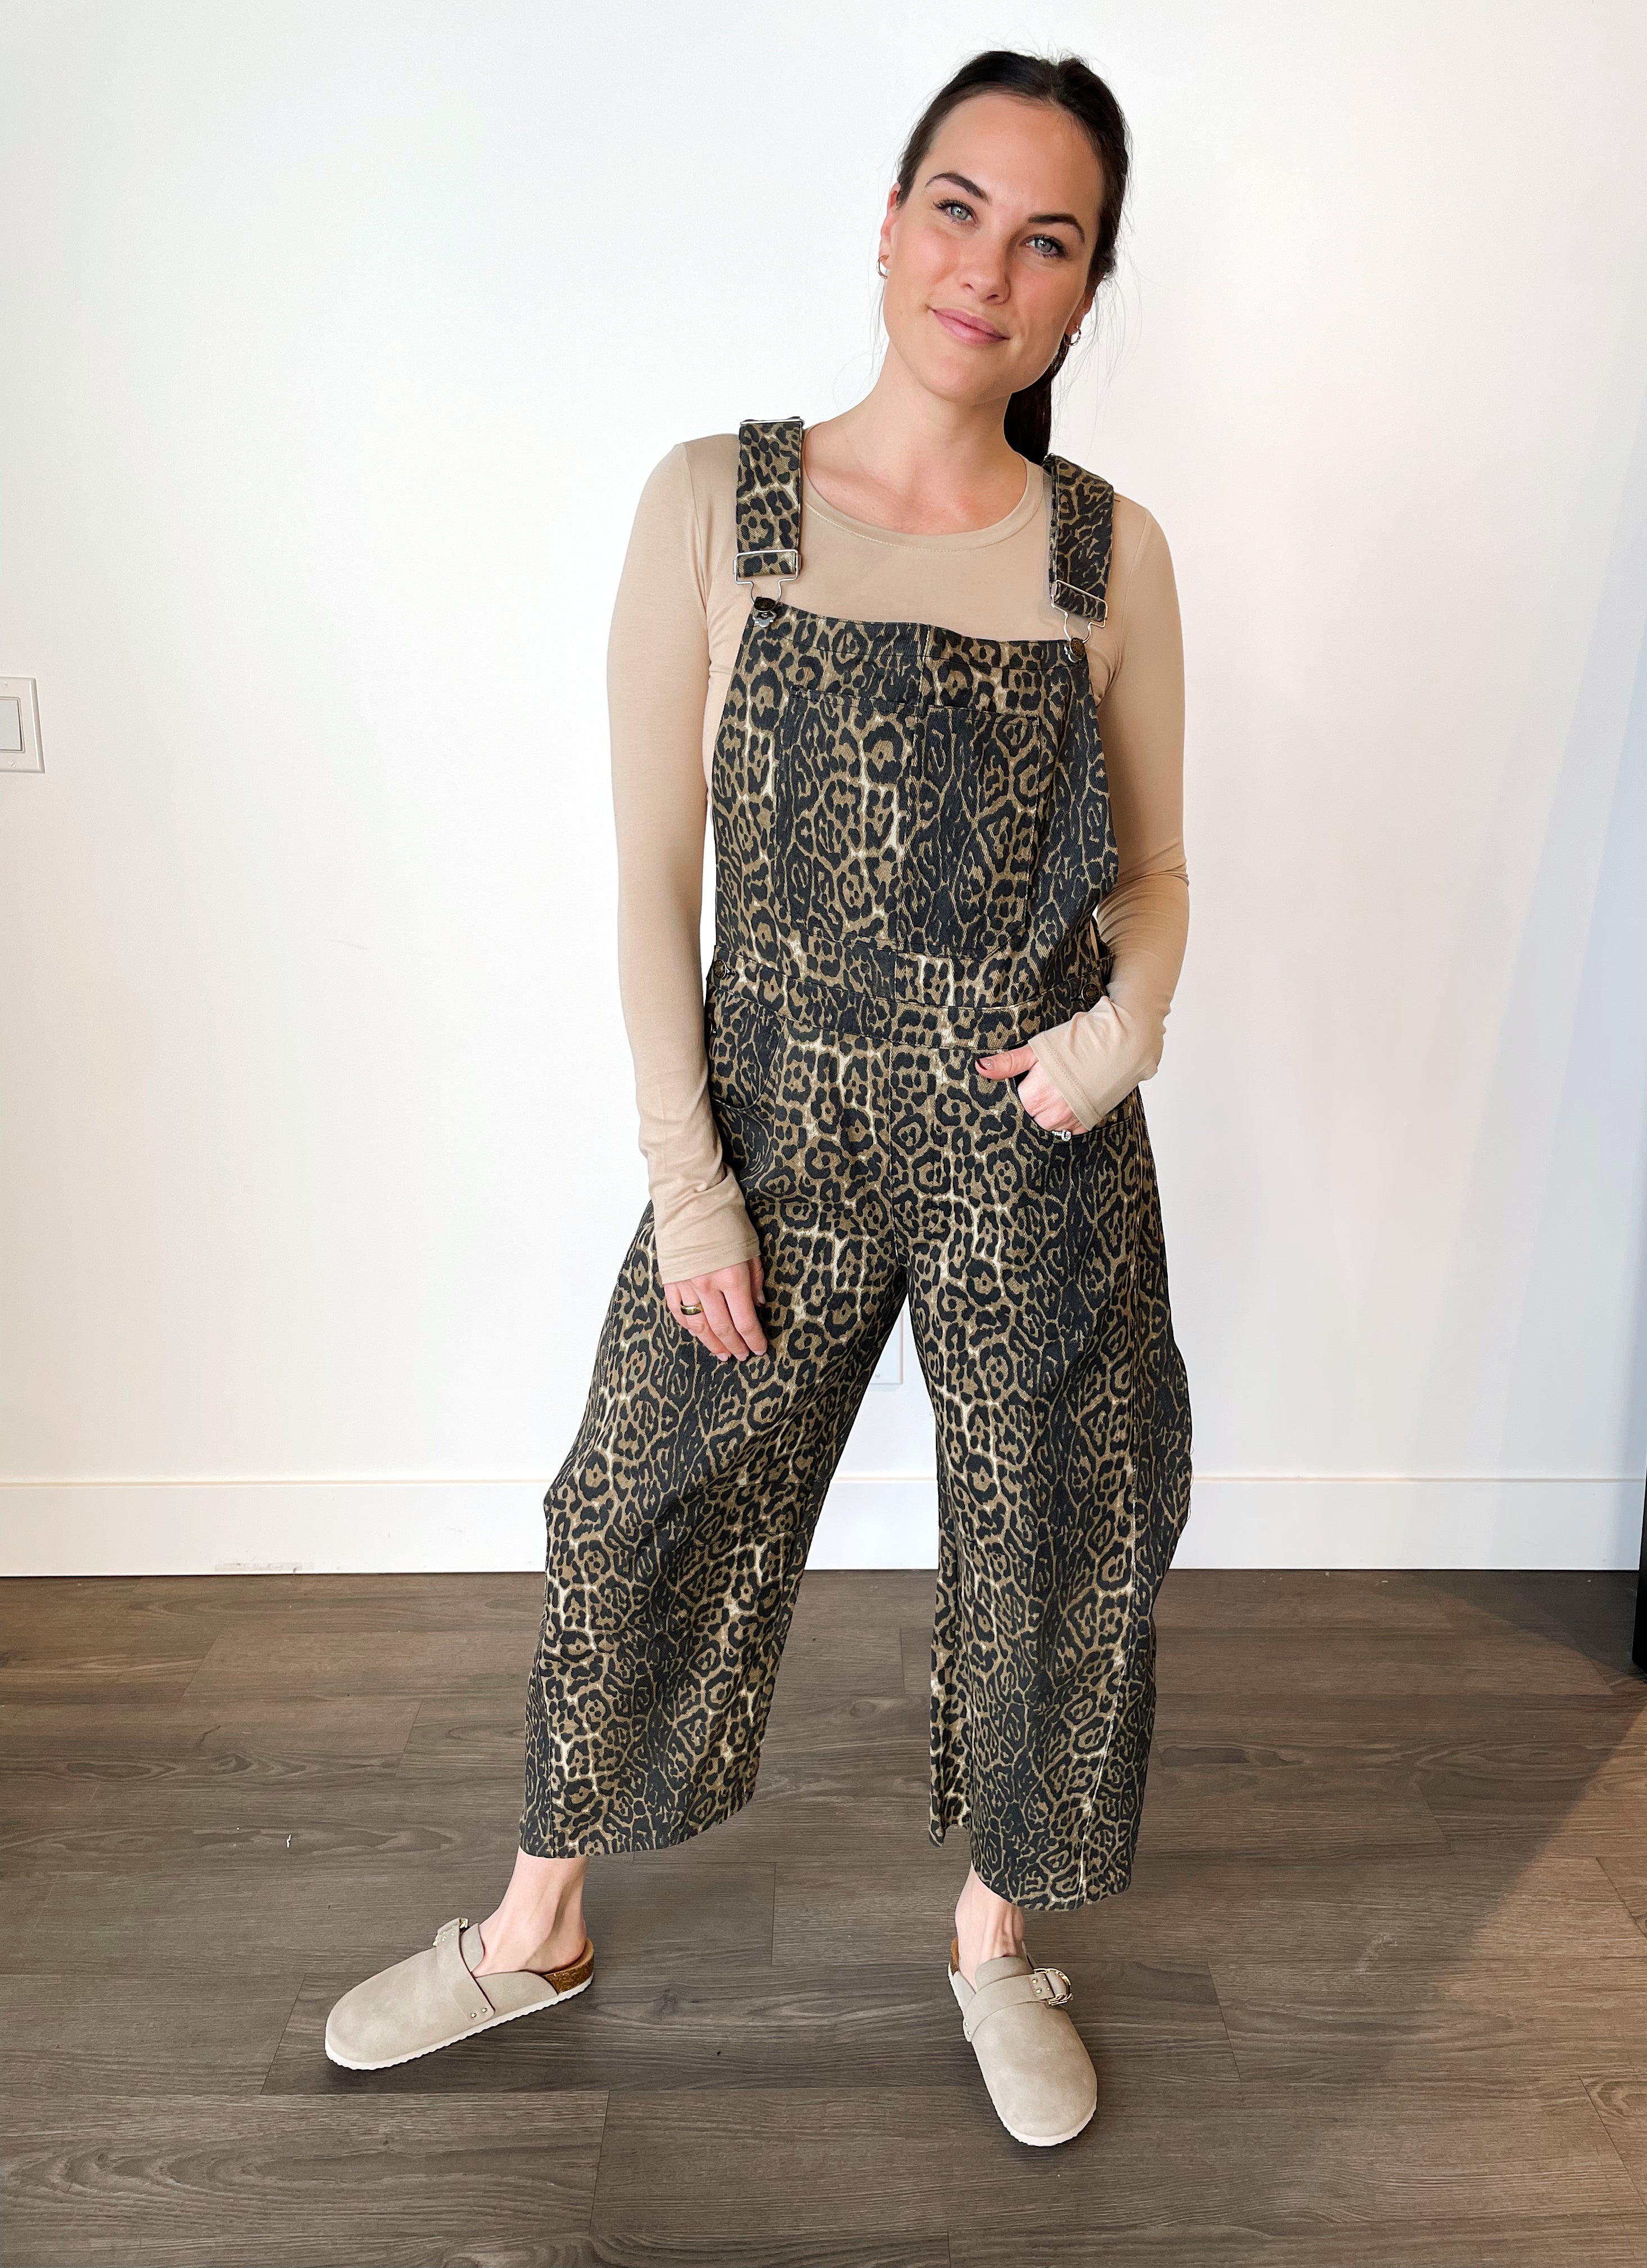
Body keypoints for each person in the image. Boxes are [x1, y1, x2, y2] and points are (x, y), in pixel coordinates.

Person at [325, 45, 1192, 2148]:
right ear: (889, 226)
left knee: (1059, 1528)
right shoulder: (722, 500)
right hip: (774, 1114)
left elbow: (1159, 878)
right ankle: (536, 1928)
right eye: (960, 209)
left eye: (1049, 241)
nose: (990, 267)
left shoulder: (1108, 554)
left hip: (1030, 1125)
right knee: (638, 1499)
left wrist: (1122, 1035)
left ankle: (995, 1935)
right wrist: (690, 1185)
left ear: (1084, 297)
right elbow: (653, 876)